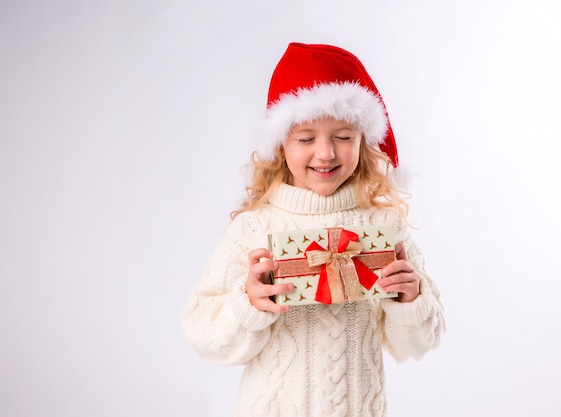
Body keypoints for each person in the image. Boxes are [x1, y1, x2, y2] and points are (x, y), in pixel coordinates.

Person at [182, 42, 445, 417]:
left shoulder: (385, 227)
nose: (326, 153)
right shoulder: (254, 228)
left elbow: (418, 344)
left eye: (343, 137)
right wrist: (248, 305)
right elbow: (202, 334)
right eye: (306, 138)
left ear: (364, 142)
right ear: (280, 144)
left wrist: (411, 301)